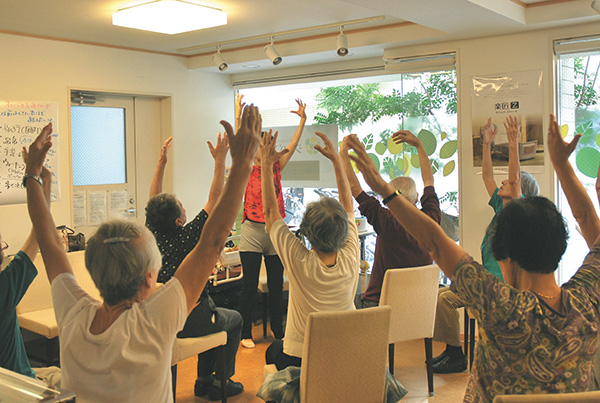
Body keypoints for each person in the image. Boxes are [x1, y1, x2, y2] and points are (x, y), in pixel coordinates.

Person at [344, 119, 600, 402]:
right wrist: (563, 166)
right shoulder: (586, 301)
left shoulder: (501, 306)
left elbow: (435, 243)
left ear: (506, 256)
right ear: (559, 246)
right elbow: (587, 220)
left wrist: (382, 188)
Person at [24, 109, 260, 402]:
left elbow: (48, 241)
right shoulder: (155, 321)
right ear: (149, 279)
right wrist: (243, 164)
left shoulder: (73, 314)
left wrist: (33, 176)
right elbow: (212, 242)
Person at [432, 115, 539, 374]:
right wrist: (487, 144)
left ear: (519, 192)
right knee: (439, 296)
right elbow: (488, 174)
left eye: (509, 183)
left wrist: (513, 144)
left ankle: (462, 356)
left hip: (498, 287)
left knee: (446, 300)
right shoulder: (500, 206)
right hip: (485, 280)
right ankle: (453, 351)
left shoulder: (515, 214)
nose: (502, 182)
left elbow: (512, 180)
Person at [145, 134, 244, 400]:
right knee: (232, 320)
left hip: (157, 320)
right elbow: (215, 198)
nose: (186, 208)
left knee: (214, 313)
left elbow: (154, 199)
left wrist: (161, 163)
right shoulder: (187, 239)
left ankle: (202, 381)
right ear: (178, 221)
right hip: (189, 319)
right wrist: (220, 160)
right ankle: (219, 381)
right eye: (182, 208)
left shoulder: (150, 233)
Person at [262, 130, 359, 370]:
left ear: (306, 231)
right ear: (344, 231)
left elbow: (270, 214)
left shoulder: (299, 261)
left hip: (302, 359)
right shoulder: (350, 256)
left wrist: (266, 165)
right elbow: (348, 203)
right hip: (345, 356)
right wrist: (337, 161)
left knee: (273, 352)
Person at [236, 95, 307, 348]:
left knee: (277, 285)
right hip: (252, 231)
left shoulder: (277, 168)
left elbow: (294, 143)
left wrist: (303, 121)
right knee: (248, 285)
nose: (261, 150)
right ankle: (245, 333)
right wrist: (239, 115)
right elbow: (241, 141)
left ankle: (278, 331)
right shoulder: (246, 167)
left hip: (274, 231)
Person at [346, 129, 441, 309]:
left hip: (381, 305)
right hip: (420, 307)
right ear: (416, 198)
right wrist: (419, 145)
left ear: (388, 200)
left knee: (346, 302)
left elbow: (354, 187)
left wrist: (343, 154)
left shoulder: (386, 220)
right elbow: (429, 180)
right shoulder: (431, 218)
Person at [0, 159, 61, 387]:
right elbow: (40, 231)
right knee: (71, 379)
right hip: (19, 386)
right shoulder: (5, 286)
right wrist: (43, 180)